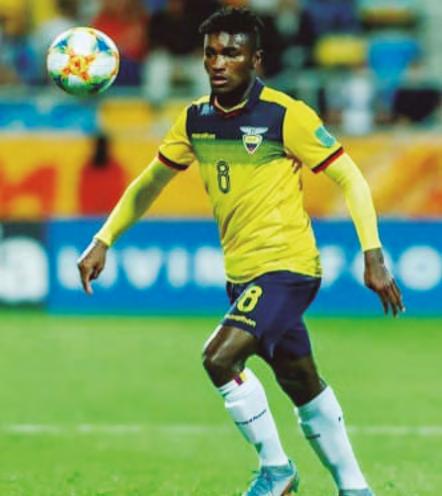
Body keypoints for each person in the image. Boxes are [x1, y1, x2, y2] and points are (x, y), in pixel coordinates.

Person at [77, 7, 405, 496]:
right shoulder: (195, 120)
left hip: (287, 267)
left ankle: (277, 470)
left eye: (231, 53)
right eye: (211, 53)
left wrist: (372, 254)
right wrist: (103, 239)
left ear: (256, 59)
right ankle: (355, 488)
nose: (218, 63)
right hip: (242, 274)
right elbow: (150, 182)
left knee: (218, 358)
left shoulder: (285, 115)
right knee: (301, 381)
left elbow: (350, 177)